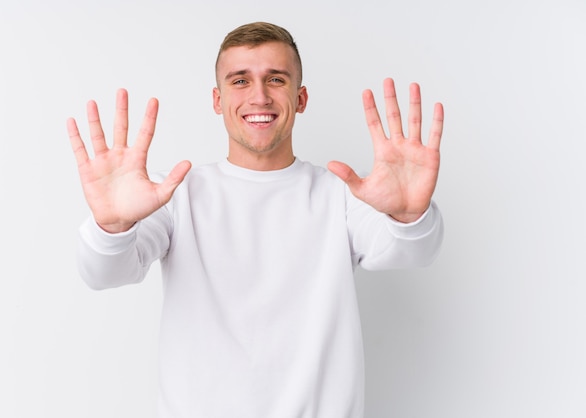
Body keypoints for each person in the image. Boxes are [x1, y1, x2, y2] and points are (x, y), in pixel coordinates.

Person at [67, 22, 444, 418]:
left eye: (276, 79)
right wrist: (112, 226)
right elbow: (103, 273)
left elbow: (411, 253)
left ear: (301, 98)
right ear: (218, 99)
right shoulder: (174, 193)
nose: (259, 96)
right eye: (240, 80)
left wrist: (408, 215)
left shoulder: (341, 194)